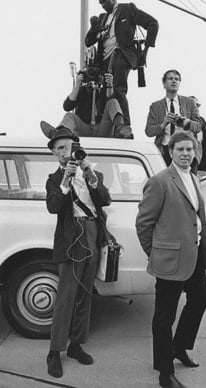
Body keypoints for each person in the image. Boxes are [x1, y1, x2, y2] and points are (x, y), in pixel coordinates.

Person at [136, 131, 206, 388]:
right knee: (164, 316)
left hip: (195, 255)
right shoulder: (160, 181)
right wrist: (155, 254)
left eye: (190, 149)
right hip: (169, 260)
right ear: (170, 151)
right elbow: (144, 224)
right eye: (180, 149)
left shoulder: (195, 178)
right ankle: (164, 371)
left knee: (200, 300)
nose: (186, 153)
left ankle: (179, 346)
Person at [45, 127, 111, 378]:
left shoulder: (92, 172)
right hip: (71, 238)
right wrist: (64, 183)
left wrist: (90, 175)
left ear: (77, 148)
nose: (65, 153)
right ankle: (54, 351)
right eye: (59, 148)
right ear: (53, 153)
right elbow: (53, 207)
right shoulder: (53, 179)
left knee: (85, 292)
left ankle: (75, 344)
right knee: (66, 296)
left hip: (91, 232)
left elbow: (104, 200)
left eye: (68, 147)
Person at [85, 0, 159, 127]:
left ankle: (125, 127)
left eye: (105, 1)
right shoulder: (102, 18)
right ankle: (108, 128)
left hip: (121, 54)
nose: (103, 5)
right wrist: (93, 26)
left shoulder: (127, 9)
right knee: (103, 95)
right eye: (100, 3)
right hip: (104, 61)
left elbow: (152, 23)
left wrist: (146, 50)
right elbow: (88, 42)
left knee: (118, 89)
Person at [40, 71, 132, 139]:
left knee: (113, 102)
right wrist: (78, 84)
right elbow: (67, 106)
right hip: (85, 129)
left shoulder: (105, 89)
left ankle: (121, 129)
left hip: (103, 129)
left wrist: (109, 84)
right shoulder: (82, 91)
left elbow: (111, 99)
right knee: (69, 116)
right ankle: (59, 134)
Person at [145, 70, 201, 167]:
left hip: (186, 150)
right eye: (170, 79)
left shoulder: (190, 103)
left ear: (179, 83)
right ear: (164, 84)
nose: (174, 81)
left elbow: (198, 127)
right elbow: (148, 131)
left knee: (187, 181)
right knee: (166, 181)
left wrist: (186, 122)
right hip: (164, 151)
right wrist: (163, 125)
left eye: (177, 79)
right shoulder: (155, 106)